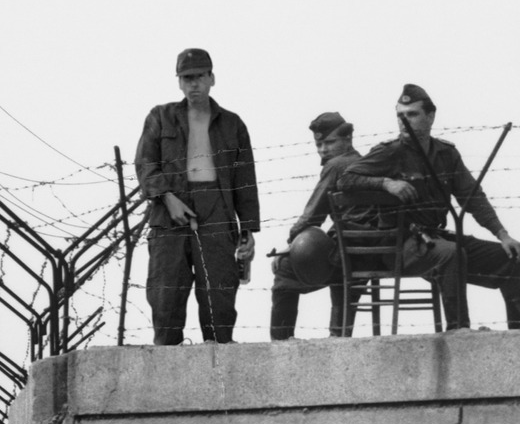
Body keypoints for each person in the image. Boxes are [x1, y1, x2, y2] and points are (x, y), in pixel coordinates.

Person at [336, 84, 520, 331]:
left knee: (510, 258)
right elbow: (345, 180)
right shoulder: (390, 152)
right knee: (451, 253)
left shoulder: (445, 154)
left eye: (412, 114)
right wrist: (386, 183)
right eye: (400, 115)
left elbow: (472, 197)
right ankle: (459, 332)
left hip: (434, 238)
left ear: (430, 117)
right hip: (399, 245)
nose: (404, 121)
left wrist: (503, 235)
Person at [135, 49, 259, 344]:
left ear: (212, 78)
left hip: (217, 211)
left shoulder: (232, 124)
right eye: (187, 78)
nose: (194, 84)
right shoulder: (160, 117)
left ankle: (219, 368)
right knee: (166, 302)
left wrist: (248, 229)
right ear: (179, 82)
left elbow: (244, 179)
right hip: (170, 216)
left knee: (219, 306)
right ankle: (167, 368)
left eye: (200, 77)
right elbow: (145, 164)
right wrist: (168, 197)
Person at [269, 112, 360, 340]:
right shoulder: (362, 162)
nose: (323, 150)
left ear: (348, 139)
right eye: (319, 144)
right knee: (336, 259)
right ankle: (339, 335)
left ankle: (280, 343)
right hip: (365, 252)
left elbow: (312, 216)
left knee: (284, 269)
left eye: (329, 142)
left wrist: (291, 245)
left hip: (346, 255)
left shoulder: (336, 166)